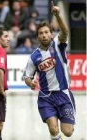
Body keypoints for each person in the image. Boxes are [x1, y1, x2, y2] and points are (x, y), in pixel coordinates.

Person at [23, 4, 76, 140]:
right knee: (53, 128)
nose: (44, 35)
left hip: (63, 94)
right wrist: (31, 83)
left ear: (51, 34)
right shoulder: (34, 57)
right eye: (41, 33)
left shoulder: (58, 44)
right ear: (38, 37)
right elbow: (27, 77)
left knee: (68, 132)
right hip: (46, 97)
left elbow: (65, 31)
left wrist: (57, 15)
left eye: (46, 32)